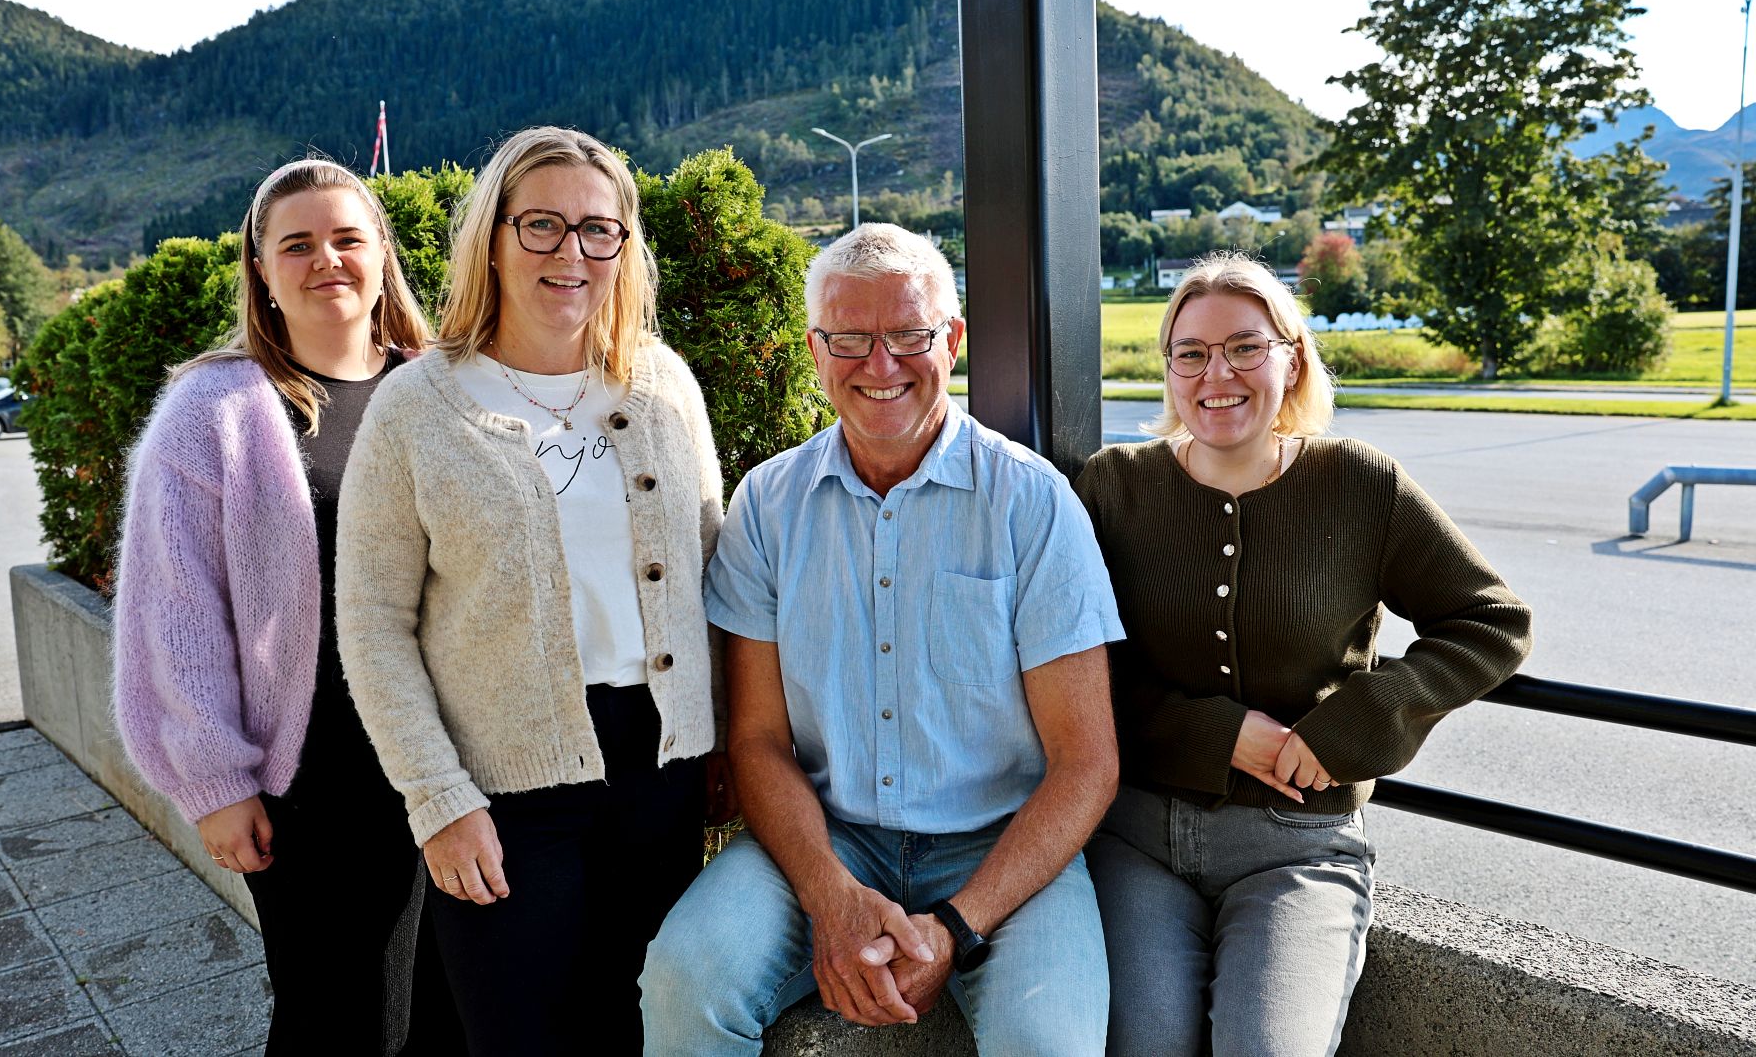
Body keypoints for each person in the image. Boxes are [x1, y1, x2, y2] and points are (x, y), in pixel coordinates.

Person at [640, 223, 1125, 1054]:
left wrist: (956, 926)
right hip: (825, 837)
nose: (880, 363)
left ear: (952, 340)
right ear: (815, 350)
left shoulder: (1032, 503)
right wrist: (830, 897)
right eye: (850, 339)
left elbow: (1087, 762)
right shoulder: (768, 506)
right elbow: (757, 741)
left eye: (908, 335)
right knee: (685, 980)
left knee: (1048, 1044)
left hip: (1002, 847)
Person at [1074, 251, 1534, 1056]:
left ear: (1291, 360)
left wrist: (1351, 726)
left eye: (1245, 347)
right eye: (1192, 353)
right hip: (1137, 841)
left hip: (1298, 847)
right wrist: (1216, 735)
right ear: (1170, 370)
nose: (1218, 373)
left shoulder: (1360, 483)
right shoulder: (1114, 486)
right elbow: (1079, 665)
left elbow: (1491, 620)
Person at [334, 125, 728, 1055]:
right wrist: (438, 799)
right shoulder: (416, 406)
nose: (571, 252)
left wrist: (724, 744)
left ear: (625, 247)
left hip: (661, 774)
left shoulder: (663, 384)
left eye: (599, 230)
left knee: (643, 1035)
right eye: (542, 224)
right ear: (494, 236)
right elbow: (373, 624)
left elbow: (713, 572)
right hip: (502, 791)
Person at [113, 157, 461, 1055]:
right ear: (261, 269)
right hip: (314, 778)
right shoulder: (212, 412)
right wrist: (214, 784)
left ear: (382, 254)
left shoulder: (442, 389)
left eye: (347, 238)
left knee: (446, 1012)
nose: (326, 260)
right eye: (297, 244)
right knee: (340, 1020)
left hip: (451, 756)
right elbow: (176, 615)